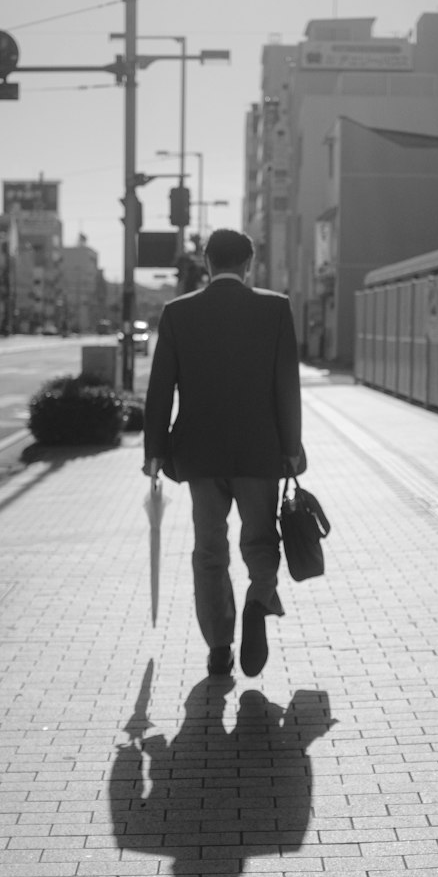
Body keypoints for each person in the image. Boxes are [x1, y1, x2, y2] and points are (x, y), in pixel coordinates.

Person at [143, 228, 304, 678]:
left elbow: (160, 390)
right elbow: (286, 386)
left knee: (209, 550)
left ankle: (218, 646)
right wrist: (291, 448)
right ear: (249, 263)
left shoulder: (178, 313)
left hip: (200, 454)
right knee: (260, 539)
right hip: (260, 451)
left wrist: (154, 451)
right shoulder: (274, 308)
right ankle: (257, 601)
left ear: (206, 263)